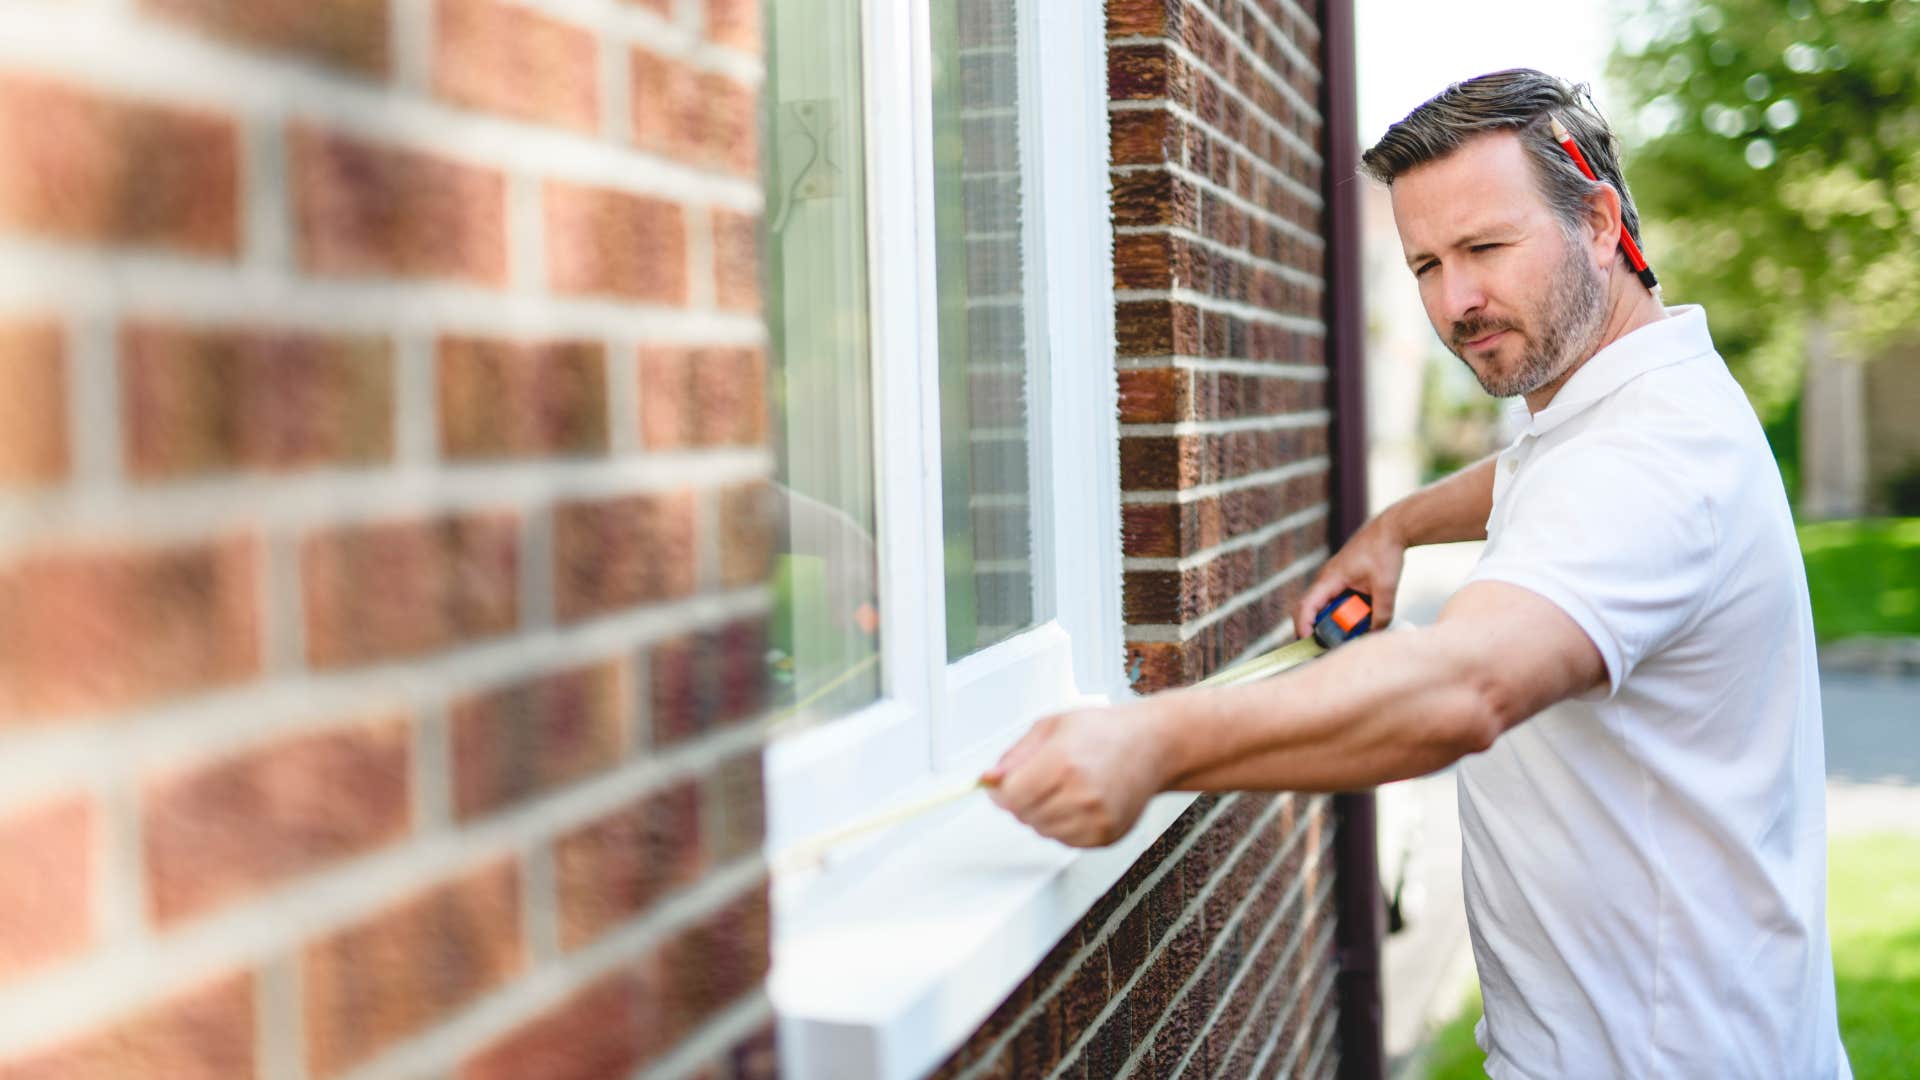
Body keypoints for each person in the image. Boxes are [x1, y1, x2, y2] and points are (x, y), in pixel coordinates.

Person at [983, 69, 1850, 1077]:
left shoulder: (1647, 465)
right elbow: (1538, 473)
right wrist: (1398, 526)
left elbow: (1460, 691)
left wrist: (1148, 742)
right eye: (1427, 264)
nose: (1457, 302)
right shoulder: (1635, 402)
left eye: (1486, 248)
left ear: (1601, 222)